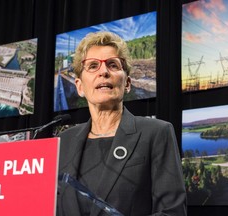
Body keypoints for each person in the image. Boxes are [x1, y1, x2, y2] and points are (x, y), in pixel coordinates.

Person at [57, 31, 187, 216]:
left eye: (113, 65)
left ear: (127, 83)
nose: (104, 72)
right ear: (79, 86)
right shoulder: (63, 142)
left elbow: (172, 212)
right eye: (93, 66)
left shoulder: (157, 133)